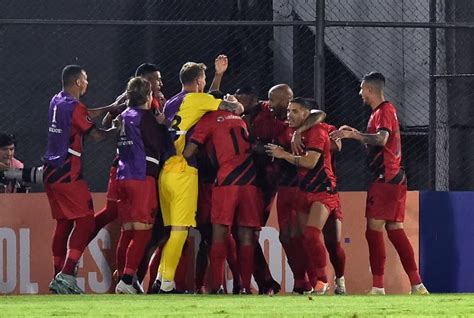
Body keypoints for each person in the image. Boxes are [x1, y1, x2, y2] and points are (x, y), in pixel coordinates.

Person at [329, 72, 429, 295]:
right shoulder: (381, 112)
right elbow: (376, 142)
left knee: (373, 231)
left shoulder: (383, 111)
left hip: (386, 178)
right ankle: (417, 284)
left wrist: (354, 136)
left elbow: (381, 139)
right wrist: (355, 133)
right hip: (393, 178)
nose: (360, 93)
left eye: (362, 89)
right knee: (394, 230)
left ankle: (378, 287)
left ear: (371, 90)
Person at [152, 56, 244, 293]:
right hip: (184, 169)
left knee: (172, 230)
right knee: (181, 230)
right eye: (203, 79)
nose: (205, 83)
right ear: (198, 81)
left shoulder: (172, 102)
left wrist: (218, 75)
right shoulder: (197, 99)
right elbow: (231, 107)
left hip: (165, 171)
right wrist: (234, 102)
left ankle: (162, 279)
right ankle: (167, 284)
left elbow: (205, 100)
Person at [45, 65, 118, 294]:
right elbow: (96, 134)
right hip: (68, 171)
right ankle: (66, 275)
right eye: (85, 79)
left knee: (65, 223)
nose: (87, 83)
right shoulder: (75, 107)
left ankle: (58, 277)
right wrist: (117, 127)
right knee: (86, 221)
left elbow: (83, 114)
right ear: (77, 82)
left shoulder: (57, 101)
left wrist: (110, 107)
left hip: (51, 171)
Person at [183, 104, 262, 294]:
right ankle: (244, 287)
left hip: (226, 180)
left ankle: (218, 286)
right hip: (250, 180)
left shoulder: (208, 119)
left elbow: (188, 152)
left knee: (218, 233)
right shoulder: (239, 118)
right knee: (245, 236)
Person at [266, 97, 340, 295]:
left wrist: (284, 154)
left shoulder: (318, 129)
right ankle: (316, 282)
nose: (289, 114)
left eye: (295, 111)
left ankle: (333, 279)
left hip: (324, 190)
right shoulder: (287, 129)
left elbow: (310, 162)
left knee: (320, 237)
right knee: (304, 238)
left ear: (307, 114)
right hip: (304, 190)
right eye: (289, 110)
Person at [114, 77, 168, 294]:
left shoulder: (122, 116)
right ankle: (127, 280)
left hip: (122, 176)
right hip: (141, 177)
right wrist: (163, 125)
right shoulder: (146, 119)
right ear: (149, 96)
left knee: (127, 231)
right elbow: (158, 144)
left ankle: (125, 277)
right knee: (143, 233)